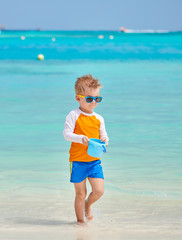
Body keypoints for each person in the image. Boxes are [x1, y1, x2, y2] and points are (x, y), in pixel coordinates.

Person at [63, 74, 109, 225]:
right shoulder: (74, 115)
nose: (94, 102)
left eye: (97, 99)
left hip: (94, 161)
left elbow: (104, 136)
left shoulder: (99, 118)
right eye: (89, 99)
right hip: (77, 161)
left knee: (99, 191)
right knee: (80, 193)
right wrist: (80, 138)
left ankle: (88, 205)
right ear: (78, 98)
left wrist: (105, 141)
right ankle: (80, 223)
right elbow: (66, 134)